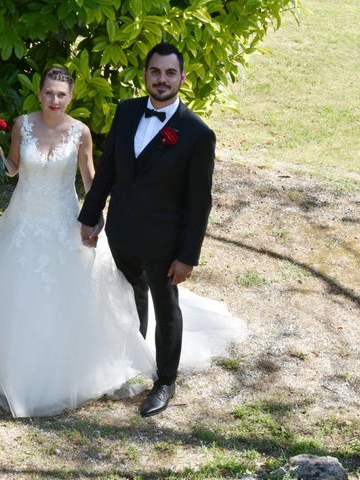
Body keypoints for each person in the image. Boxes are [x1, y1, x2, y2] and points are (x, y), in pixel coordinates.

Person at [0, 67, 156, 418]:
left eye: (61, 95)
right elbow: (14, 168)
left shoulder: (80, 133)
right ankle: (16, 359)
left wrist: (97, 214)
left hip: (63, 219)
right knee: (17, 284)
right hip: (25, 217)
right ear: (40, 93)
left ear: (71, 97)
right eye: (49, 93)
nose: (54, 100)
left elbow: (89, 177)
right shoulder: (22, 124)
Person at [78, 42, 218, 417]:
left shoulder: (196, 134)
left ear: (182, 78)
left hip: (164, 241)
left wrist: (188, 256)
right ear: (145, 74)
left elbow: (199, 202)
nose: (162, 79)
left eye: (170, 73)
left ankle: (164, 381)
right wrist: (90, 215)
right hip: (121, 231)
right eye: (155, 72)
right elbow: (107, 170)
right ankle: (131, 360)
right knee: (128, 295)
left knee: (166, 308)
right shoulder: (125, 112)